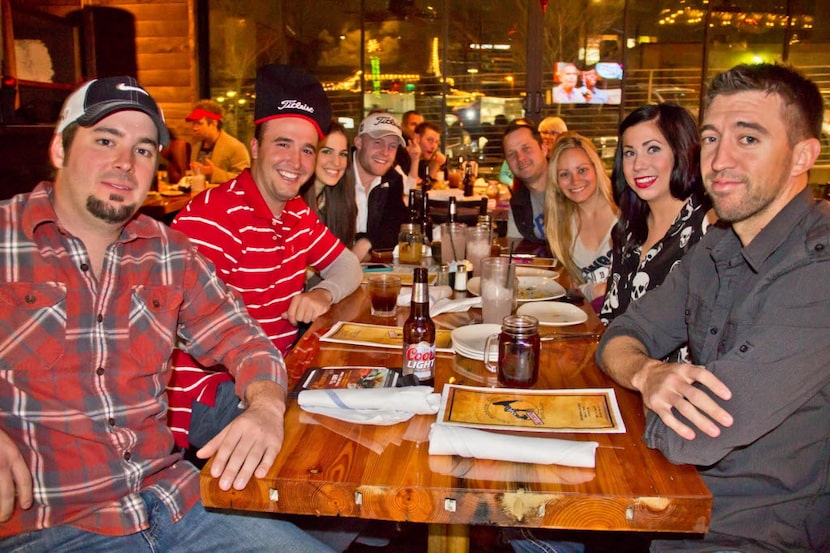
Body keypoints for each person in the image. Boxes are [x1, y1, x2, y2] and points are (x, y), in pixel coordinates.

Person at [0, 76, 333, 552]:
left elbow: (245, 339)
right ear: (60, 148)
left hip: (174, 503)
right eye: (105, 140)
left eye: (143, 149)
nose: (124, 162)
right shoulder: (7, 237)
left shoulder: (168, 252)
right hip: (54, 526)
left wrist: (265, 405)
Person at [599, 63, 829, 552]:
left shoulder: (818, 268)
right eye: (710, 138)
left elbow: (695, 436)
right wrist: (646, 374)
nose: (719, 160)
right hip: (673, 505)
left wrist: (645, 376)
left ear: (802, 156)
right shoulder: (718, 244)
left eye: (748, 140)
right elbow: (623, 330)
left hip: (754, 533)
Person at [167, 65, 362, 454]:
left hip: (276, 375)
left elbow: (348, 266)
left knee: (364, 415)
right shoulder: (212, 217)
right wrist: (269, 390)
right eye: (283, 144)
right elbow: (184, 331)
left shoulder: (296, 212)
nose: (296, 160)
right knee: (331, 447)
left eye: (308, 149)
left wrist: (323, 293)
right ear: (255, 148)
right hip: (210, 392)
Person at [600, 103, 712, 338]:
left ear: (681, 151)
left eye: (653, 149)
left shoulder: (709, 229)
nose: (638, 165)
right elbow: (610, 317)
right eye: (630, 153)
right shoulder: (627, 230)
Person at [545, 132, 617, 307]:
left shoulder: (625, 210)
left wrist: (592, 290)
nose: (575, 180)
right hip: (595, 320)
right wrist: (592, 291)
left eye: (582, 170)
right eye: (564, 174)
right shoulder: (560, 228)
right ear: (556, 181)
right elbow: (571, 288)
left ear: (596, 168)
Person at [347, 111, 409, 261]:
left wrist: (365, 242)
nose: (385, 152)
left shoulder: (393, 180)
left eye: (392, 146)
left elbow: (396, 226)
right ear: (359, 142)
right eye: (377, 142)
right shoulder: (336, 173)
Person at [301, 119, 356, 248]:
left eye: (342, 154)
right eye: (327, 151)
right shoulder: (292, 205)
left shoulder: (338, 202)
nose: (336, 162)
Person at [502, 118, 550, 253]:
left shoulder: (570, 188)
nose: (520, 158)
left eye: (526, 149)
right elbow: (514, 247)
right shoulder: (518, 203)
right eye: (511, 154)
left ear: (544, 149)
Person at [186, 99, 250, 184]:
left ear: (213, 123)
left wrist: (214, 172)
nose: (194, 128)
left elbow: (245, 180)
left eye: (199, 123)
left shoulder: (235, 146)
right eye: (193, 123)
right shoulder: (196, 145)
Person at [407, 120, 447, 186]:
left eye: (436, 142)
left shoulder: (422, 161)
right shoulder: (400, 157)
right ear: (417, 138)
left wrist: (436, 164)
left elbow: (426, 187)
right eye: (430, 140)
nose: (434, 146)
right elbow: (411, 189)